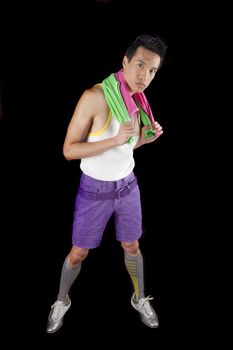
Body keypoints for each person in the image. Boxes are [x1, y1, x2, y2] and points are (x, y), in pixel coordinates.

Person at [46, 34, 167, 333]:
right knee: (78, 252)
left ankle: (139, 298)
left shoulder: (137, 101)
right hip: (94, 191)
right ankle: (62, 299)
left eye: (152, 70)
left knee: (132, 245)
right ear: (125, 61)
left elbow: (125, 147)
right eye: (140, 65)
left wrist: (145, 138)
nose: (145, 76)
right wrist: (115, 139)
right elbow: (69, 150)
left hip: (128, 187)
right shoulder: (95, 97)